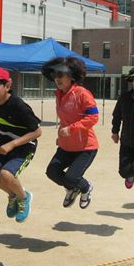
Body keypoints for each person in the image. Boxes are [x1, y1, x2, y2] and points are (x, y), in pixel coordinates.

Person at [0, 67, 41, 223]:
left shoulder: (19, 105)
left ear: (7, 85)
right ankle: (13, 195)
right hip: (3, 144)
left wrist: (12, 144)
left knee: (6, 175)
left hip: (24, 145)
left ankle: (24, 197)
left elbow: (37, 132)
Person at [42, 57, 98, 209]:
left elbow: (93, 117)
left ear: (72, 76)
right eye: (55, 76)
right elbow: (65, 119)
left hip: (85, 147)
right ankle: (72, 188)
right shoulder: (59, 94)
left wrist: (72, 129)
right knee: (52, 172)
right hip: (66, 145)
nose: (57, 79)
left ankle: (86, 188)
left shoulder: (82, 93)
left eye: (60, 75)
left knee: (72, 177)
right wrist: (60, 135)